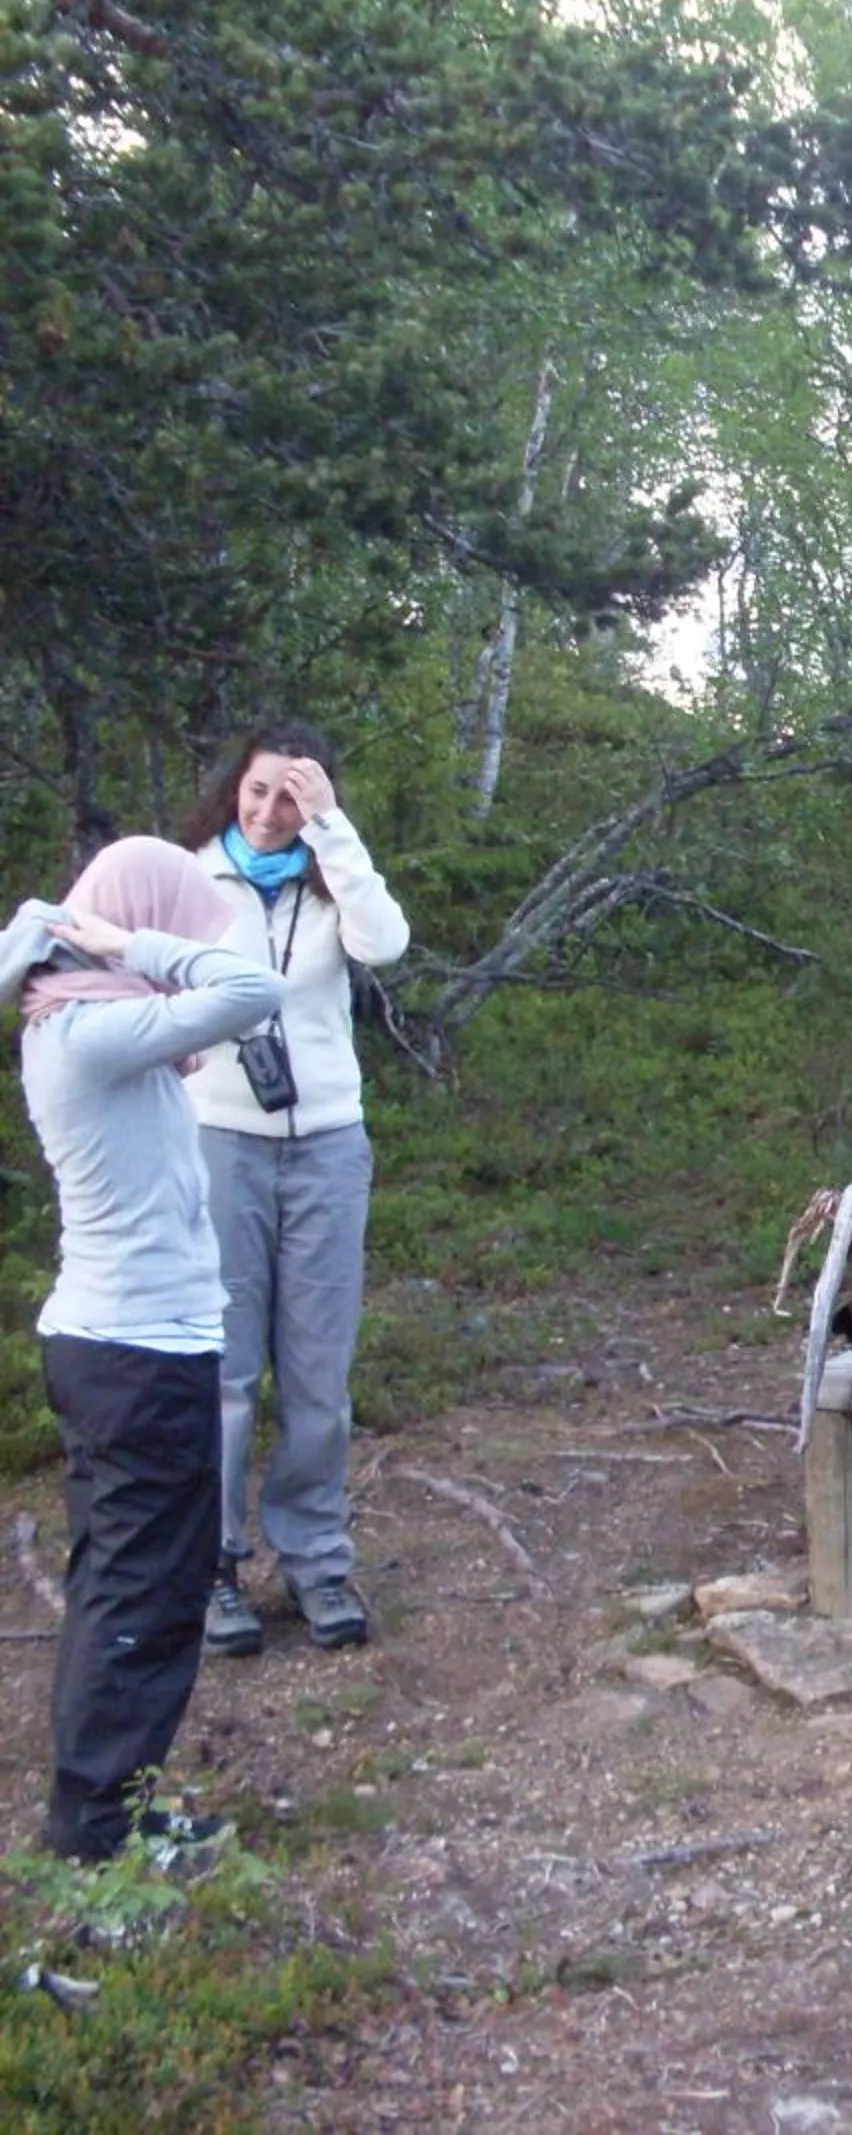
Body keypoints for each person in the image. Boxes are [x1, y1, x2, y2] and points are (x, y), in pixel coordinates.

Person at [6, 839, 284, 1861]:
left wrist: (129, 969)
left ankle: (105, 1814)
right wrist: (136, 946)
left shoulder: (84, 1025)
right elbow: (252, 989)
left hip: (120, 1345)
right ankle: (98, 1842)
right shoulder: (89, 1030)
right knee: (144, 1596)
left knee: (122, 1586)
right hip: (137, 1354)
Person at [178, 724, 410, 1656]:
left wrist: (333, 832)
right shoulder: (191, 877)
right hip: (218, 1141)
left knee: (318, 1372)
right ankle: (211, 1564)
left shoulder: (329, 881)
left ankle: (315, 1559)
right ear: (233, 789)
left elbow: (384, 944)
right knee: (225, 1370)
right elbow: (139, 979)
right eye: (258, 790)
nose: (269, 812)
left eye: (290, 796)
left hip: (325, 1147)